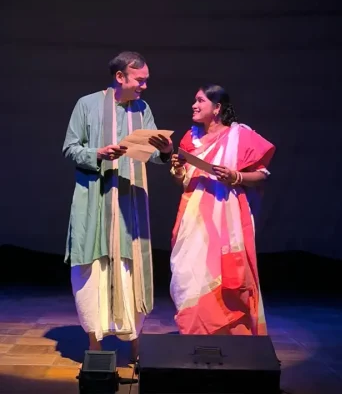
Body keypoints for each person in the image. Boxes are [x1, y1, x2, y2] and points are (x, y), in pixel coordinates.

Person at [63, 51, 173, 360]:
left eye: (146, 81)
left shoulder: (142, 109)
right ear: (120, 77)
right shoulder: (87, 104)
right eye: (140, 80)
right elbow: (70, 148)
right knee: (91, 271)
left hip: (129, 205)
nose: (144, 86)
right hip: (94, 202)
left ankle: (136, 345)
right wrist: (98, 153)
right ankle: (95, 346)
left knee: (130, 270)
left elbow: (151, 153)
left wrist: (165, 151)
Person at [169, 84, 275, 335]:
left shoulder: (240, 136)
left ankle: (227, 335)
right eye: (194, 100)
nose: (194, 106)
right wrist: (178, 169)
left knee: (227, 275)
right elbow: (182, 179)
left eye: (200, 101)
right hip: (193, 217)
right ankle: (195, 334)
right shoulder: (190, 138)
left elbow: (261, 175)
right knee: (188, 274)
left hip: (226, 217)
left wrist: (236, 176)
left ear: (217, 108)